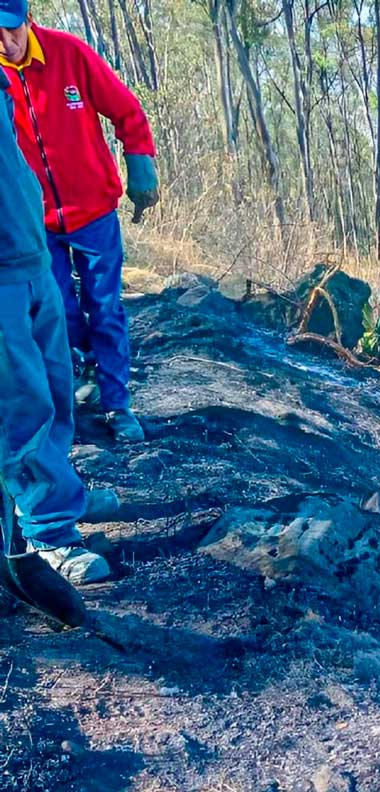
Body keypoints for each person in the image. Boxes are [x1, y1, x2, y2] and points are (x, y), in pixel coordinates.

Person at [0, 0, 159, 443]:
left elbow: (127, 110)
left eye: (12, 30)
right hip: (35, 224)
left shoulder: (69, 54)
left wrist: (140, 159)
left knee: (104, 307)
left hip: (94, 213)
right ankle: (74, 383)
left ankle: (117, 404)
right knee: (56, 312)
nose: (6, 43)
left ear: (28, 20)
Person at [0, 59, 109, 584]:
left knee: (55, 389)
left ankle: (62, 494)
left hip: (31, 254)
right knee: (20, 404)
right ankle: (47, 533)